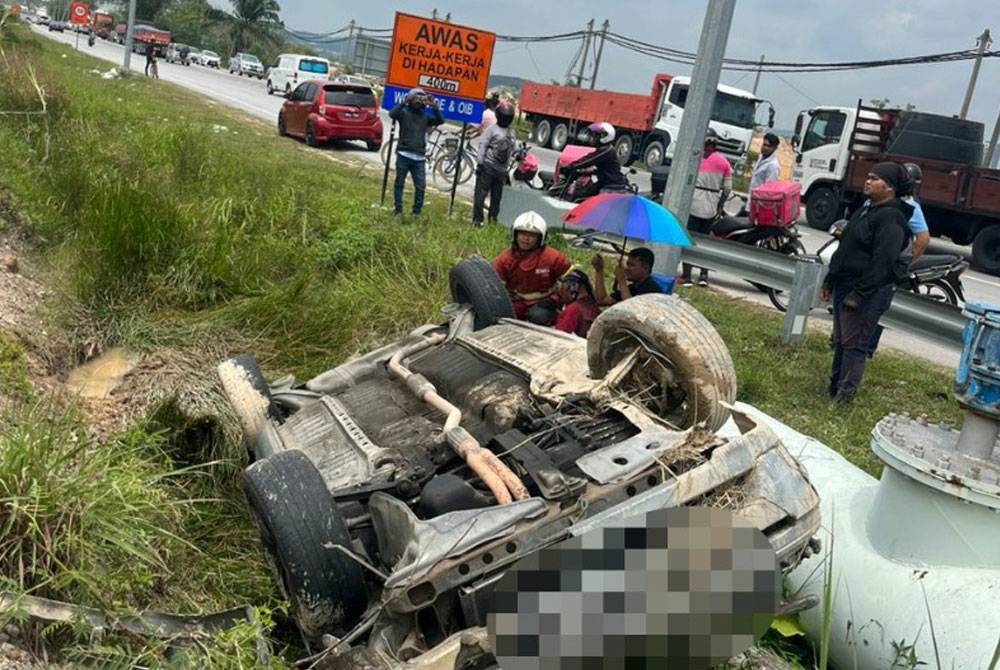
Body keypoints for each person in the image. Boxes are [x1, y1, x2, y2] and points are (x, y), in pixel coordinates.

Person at [820, 162, 913, 401]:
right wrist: (830, 281)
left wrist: (859, 294)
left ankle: (844, 396)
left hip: (868, 292)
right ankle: (833, 388)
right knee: (841, 341)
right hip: (845, 285)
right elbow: (846, 248)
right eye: (868, 177)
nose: (868, 181)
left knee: (855, 345)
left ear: (890, 187)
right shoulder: (866, 210)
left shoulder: (891, 218)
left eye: (875, 178)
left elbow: (883, 262)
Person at [492, 211, 572, 325]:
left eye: (532, 235)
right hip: (517, 301)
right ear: (515, 234)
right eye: (522, 234)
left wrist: (554, 300)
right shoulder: (504, 259)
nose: (526, 238)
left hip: (545, 301)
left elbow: (572, 280)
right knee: (500, 316)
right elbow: (495, 289)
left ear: (541, 238)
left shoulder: (553, 257)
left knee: (538, 317)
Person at [681, 129, 732, 287]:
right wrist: (720, 205)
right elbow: (728, 189)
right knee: (705, 242)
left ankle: (687, 276)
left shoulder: (696, 159)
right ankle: (703, 276)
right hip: (711, 206)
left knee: (689, 240)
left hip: (694, 204)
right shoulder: (724, 162)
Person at [388, 88, 444, 217]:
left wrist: (433, 105)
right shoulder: (404, 114)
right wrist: (405, 101)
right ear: (410, 100)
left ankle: (416, 212)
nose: (419, 101)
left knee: (420, 187)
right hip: (403, 154)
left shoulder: (426, 117)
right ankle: (398, 210)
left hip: (419, 157)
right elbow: (392, 114)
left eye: (421, 99)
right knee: (399, 183)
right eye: (416, 98)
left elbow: (440, 120)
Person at [472, 102, 516, 226]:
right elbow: (483, 145)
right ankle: (477, 220)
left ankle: (493, 221)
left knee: (496, 199)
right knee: (481, 195)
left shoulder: (511, 133)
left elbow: (514, 148)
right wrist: (480, 163)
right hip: (488, 167)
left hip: (502, 171)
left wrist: (519, 154)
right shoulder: (491, 130)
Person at [559, 122, 629, 198]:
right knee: (580, 195)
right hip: (603, 183)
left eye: (595, 136)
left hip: (612, 186)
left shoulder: (606, 151)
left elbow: (587, 160)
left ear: (604, 137)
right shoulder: (606, 149)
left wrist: (570, 166)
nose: (592, 138)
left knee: (593, 202)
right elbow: (606, 168)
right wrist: (588, 171)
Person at [592, 247, 663, 306]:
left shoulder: (651, 290)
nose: (627, 268)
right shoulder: (633, 287)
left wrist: (622, 281)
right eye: (627, 264)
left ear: (645, 268)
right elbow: (602, 300)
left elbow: (631, 309)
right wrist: (599, 271)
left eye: (632, 265)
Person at [554, 268, 601, 337]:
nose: (561, 293)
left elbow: (558, 338)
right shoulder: (595, 308)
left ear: (570, 287)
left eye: (562, 288)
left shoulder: (572, 310)